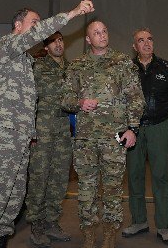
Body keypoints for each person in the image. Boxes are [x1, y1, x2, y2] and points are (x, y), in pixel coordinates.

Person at [0, 0, 95, 248]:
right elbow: (39, 34)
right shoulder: (5, 46)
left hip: (21, 136)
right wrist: (73, 13)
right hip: (3, 132)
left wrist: (32, 133)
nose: (39, 28)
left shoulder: (25, 60)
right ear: (18, 26)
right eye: (34, 23)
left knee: (14, 197)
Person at [61, 20, 145, 248]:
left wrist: (132, 128)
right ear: (88, 39)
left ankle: (109, 233)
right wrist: (79, 102)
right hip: (86, 139)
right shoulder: (77, 65)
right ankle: (88, 232)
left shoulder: (122, 63)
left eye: (104, 31)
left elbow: (136, 98)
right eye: (96, 33)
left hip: (114, 138)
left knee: (112, 189)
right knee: (86, 189)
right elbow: (65, 99)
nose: (102, 35)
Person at [122, 28, 168, 245]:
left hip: (159, 127)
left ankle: (164, 227)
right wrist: (128, 126)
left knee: (161, 177)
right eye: (141, 40)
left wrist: (158, 112)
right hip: (131, 129)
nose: (146, 43)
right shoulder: (126, 69)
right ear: (134, 46)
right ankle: (139, 221)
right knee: (134, 175)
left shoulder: (166, 67)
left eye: (150, 39)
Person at [25, 32, 73, 248]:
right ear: (46, 46)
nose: (59, 44)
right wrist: (30, 131)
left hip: (64, 128)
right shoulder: (38, 67)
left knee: (60, 178)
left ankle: (51, 222)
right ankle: (36, 225)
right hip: (42, 127)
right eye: (54, 41)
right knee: (39, 177)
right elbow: (28, 100)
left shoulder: (72, 69)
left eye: (61, 40)